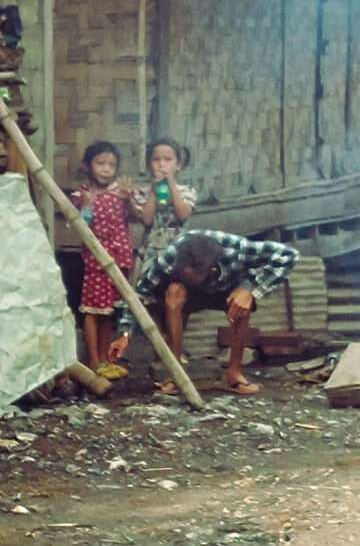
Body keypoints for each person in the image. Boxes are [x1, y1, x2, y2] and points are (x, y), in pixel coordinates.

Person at [106, 229, 298, 396]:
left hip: (228, 289)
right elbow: (138, 293)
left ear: (211, 268)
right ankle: (177, 373)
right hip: (188, 295)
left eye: (191, 274)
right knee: (174, 292)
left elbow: (289, 255)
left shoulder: (237, 250)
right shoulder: (170, 257)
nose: (185, 275)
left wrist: (251, 290)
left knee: (242, 303)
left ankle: (234, 373)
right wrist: (125, 333)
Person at [66, 141, 147, 378]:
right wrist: (87, 207)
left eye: (111, 165)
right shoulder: (82, 195)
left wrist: (128, 199)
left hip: (120, 260)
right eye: (100, 163)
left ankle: (105, 359)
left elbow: (136, 218)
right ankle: (94, 361)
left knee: (110, 312)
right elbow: (77, 226)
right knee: (93, 311)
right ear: (88, 166)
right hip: (97, 263)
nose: (105, 169)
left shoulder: (119, 193)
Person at [136, 138, 197, 264]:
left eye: (168, 159)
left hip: (179, 249)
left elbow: (183, 215)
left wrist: (170, 183)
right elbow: (146, 220)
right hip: (150, 250)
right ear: (149, 165)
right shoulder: (142, 192)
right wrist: (154, 190)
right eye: (156, 159)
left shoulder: (186, 191)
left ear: (178, 165)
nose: (161, 164)